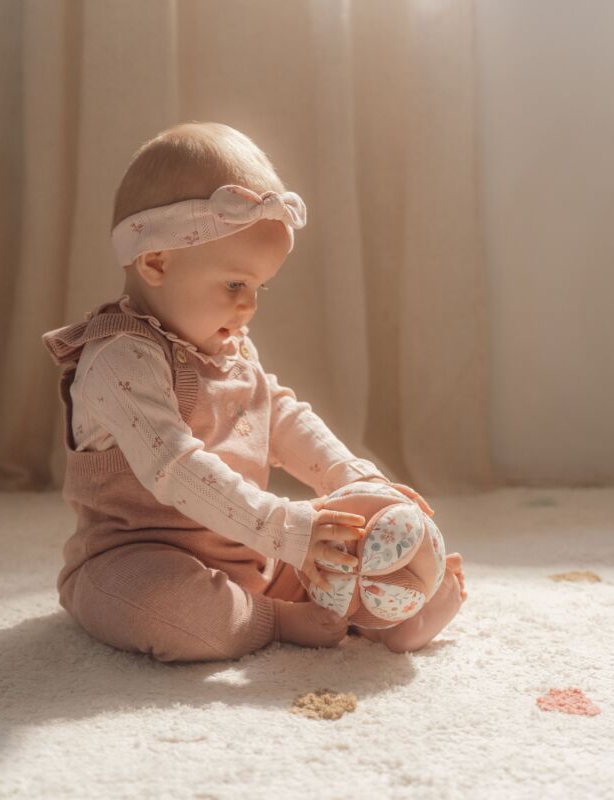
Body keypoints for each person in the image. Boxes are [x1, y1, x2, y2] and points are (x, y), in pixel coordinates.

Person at [40, 122, 466, 663]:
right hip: (137, 558)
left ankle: (389, 611)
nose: (249, 306)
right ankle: (274, 619)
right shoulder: (117, 359)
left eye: (260, 287)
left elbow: (280, 415)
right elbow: (176, 468)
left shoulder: (228, 343)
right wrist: (286, 528)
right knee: (175, 612)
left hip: (251, 547)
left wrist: (351, 477)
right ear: (156, 262)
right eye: (235, 284)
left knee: (344, 543)